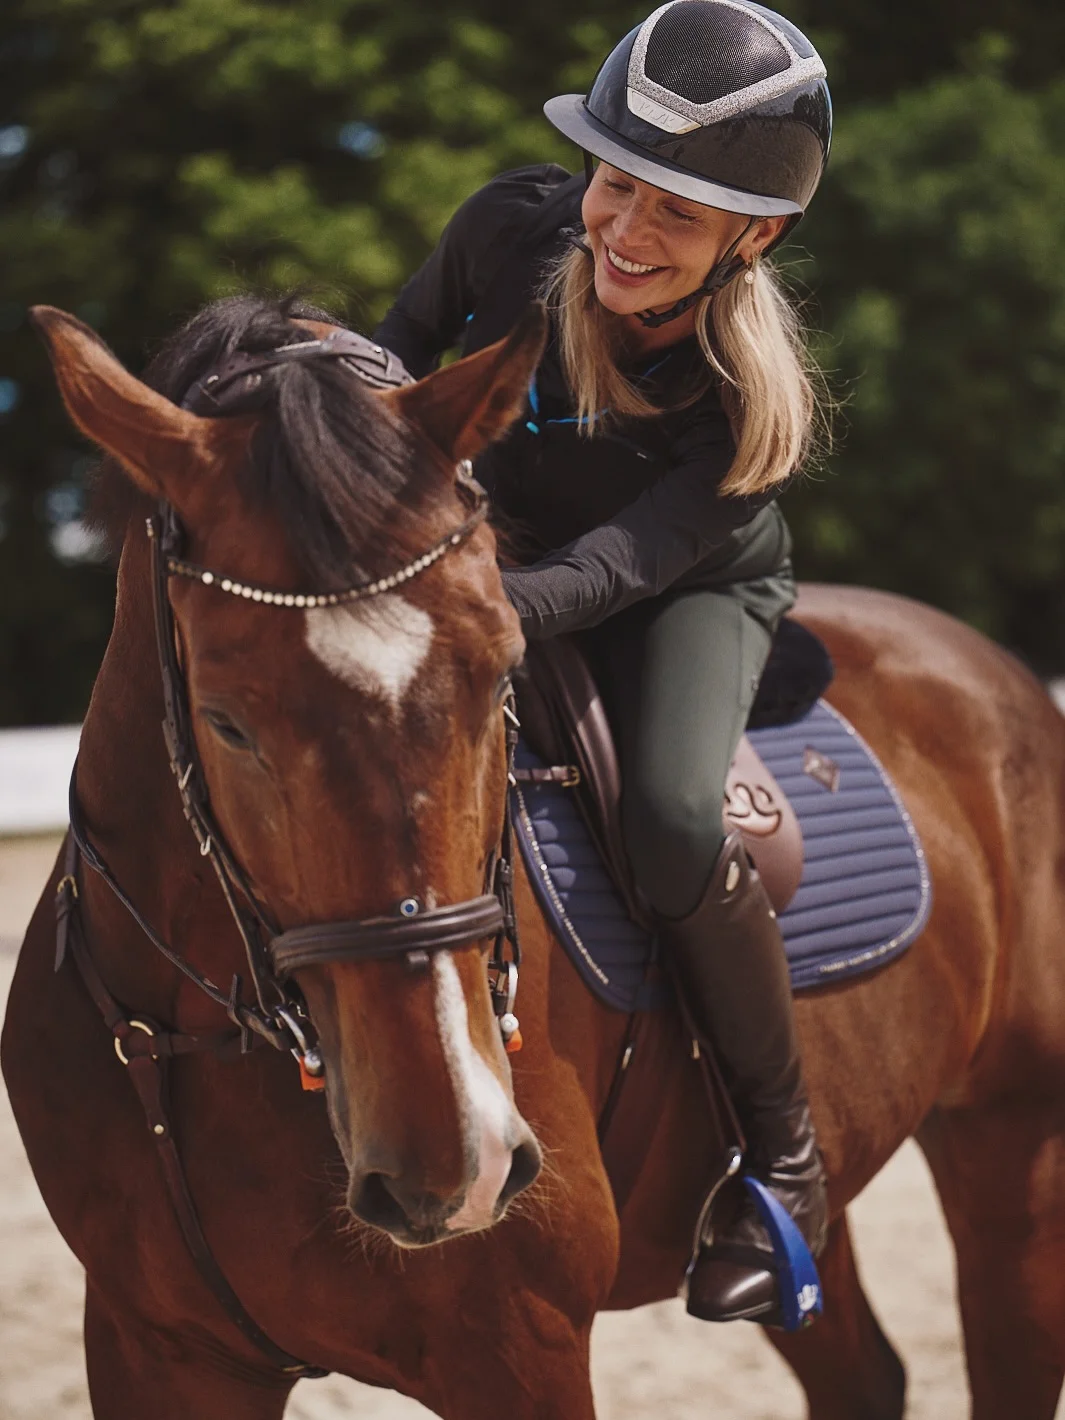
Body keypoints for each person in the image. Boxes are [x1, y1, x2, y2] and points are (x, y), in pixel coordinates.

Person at [376, 0, 832, 1327]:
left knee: (677, 823)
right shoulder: (508, 228)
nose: (625, 230)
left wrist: (460, 617)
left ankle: (785, 1162)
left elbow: (614, 573)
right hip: (495, 571)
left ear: (756, 235)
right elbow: (389, 368)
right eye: (615, 181)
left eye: (674, 214)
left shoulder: (742, 394)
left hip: (674, 589)